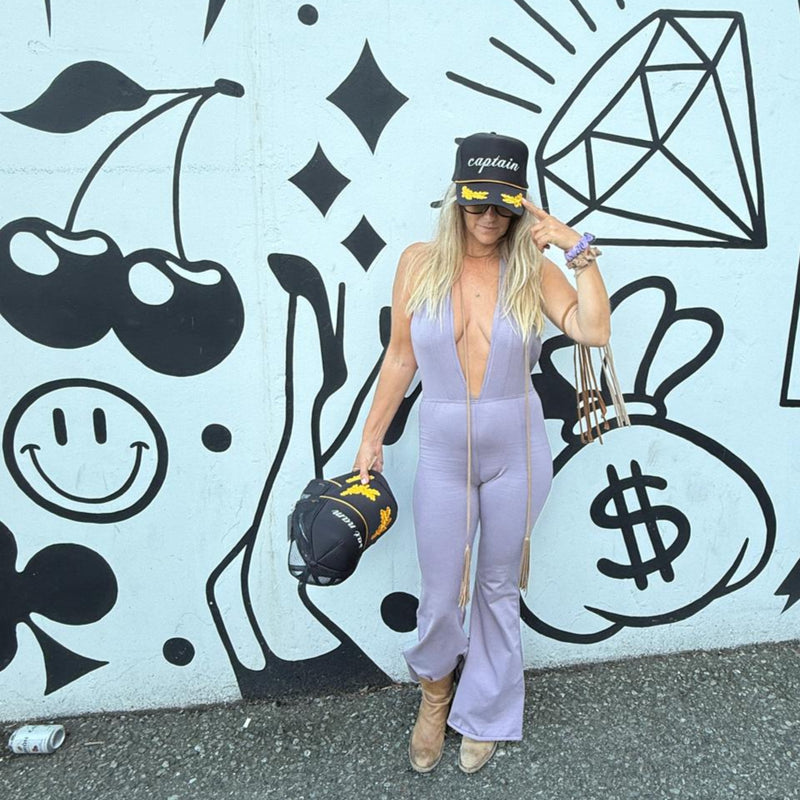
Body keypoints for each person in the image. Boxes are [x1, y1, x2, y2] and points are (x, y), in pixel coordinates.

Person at [353, 132, 611, 774]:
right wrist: (371, 435)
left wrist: (577, 250)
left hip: (516, 446)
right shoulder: (417, 262)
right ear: (456, 201)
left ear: (521, 207)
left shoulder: (532, 268)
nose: (490, 219)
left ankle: (487, 710)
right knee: (441, 591)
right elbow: (401, 356)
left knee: (497, 588)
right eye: (477, 205)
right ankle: (435, 693)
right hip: (441, 446)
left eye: (504, 206)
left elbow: (594, 330)